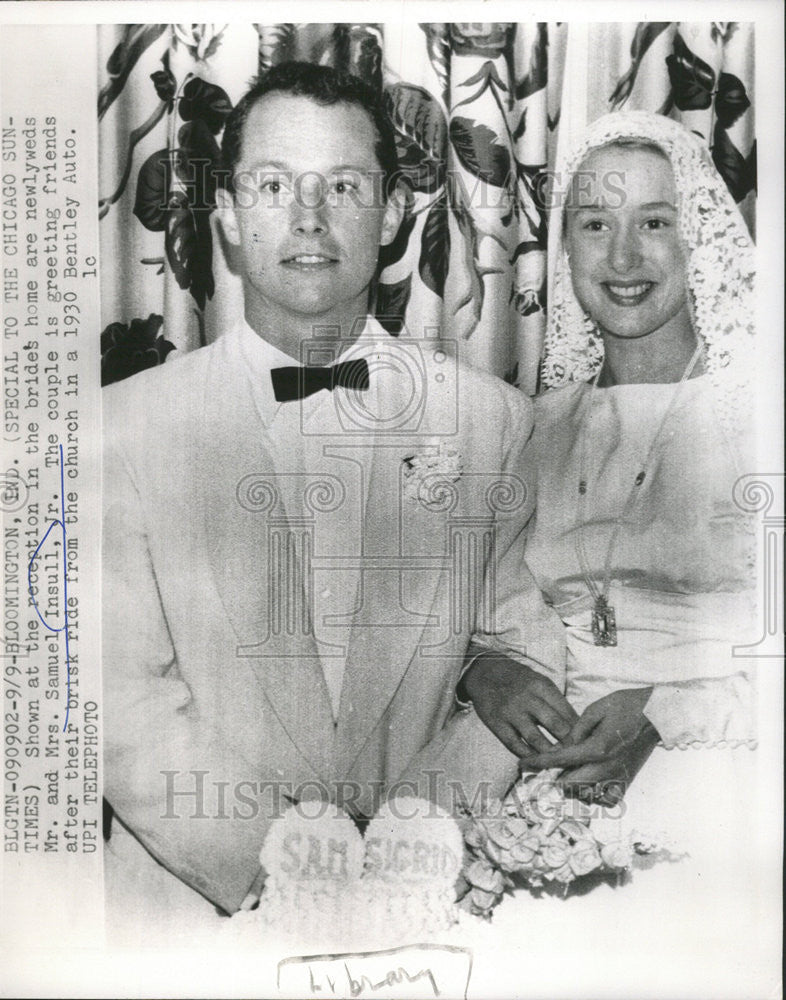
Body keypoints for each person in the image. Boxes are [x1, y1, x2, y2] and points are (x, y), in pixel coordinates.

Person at [102, 61, 569, 938]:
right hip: (193, 916)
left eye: (344, 185)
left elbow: (522, 652)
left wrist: (414, 845)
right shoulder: (118, 431)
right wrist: (283, 864)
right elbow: (118, 699)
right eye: (275, 184)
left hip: (425, 912)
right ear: (230, 215)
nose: (310, 217)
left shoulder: (492, 424)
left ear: (392, 213)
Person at [460, 112, 761, 959]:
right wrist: (482, 672)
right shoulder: (538, 426)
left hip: (728, 774)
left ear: (697, 236)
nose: (623, 260)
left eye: (653, 224)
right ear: (566, 250)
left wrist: (662, 713)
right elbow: (484, 613)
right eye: (596, 224)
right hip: (547, 777)